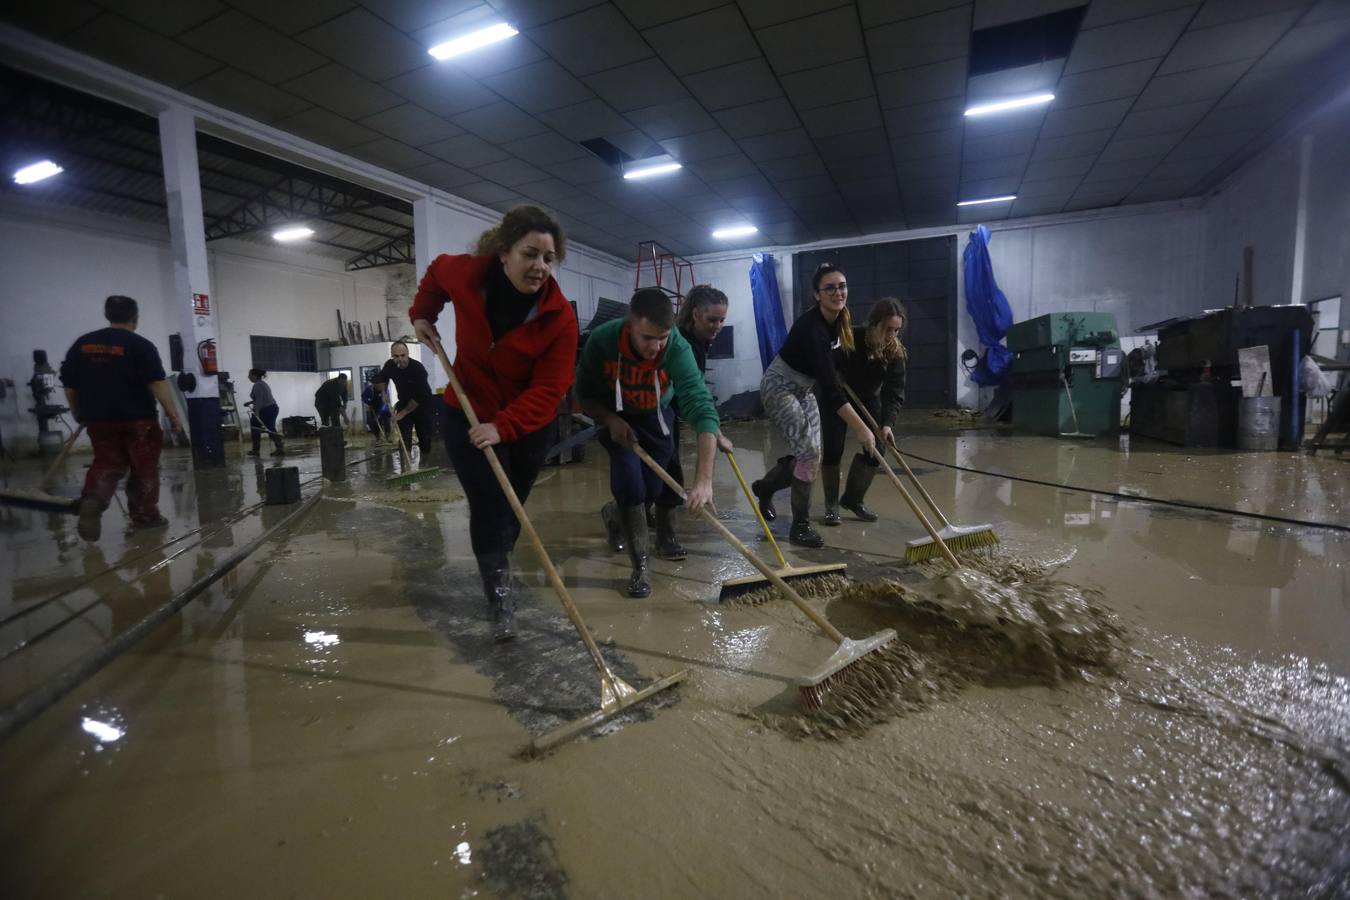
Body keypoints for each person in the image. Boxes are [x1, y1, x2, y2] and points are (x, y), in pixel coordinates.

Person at [410, 205, 578, 642]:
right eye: (530, 254)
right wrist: (422, 313)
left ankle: (499, 558)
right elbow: (434, 274)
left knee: (511, 508)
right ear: (504, 253)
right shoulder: (466, 274)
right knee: (487, 502)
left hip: (527, 421)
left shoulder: (559, 317)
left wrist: (505, 426)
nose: (540, 266)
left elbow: (551, 386)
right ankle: (499, 594)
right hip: (465, 407)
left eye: (548, 258)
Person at [576, 288, 722, 598]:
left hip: (657, 416)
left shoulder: (677, 348)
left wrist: (705, 480)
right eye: (647, 338)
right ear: (630, 324)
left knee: (654, 491)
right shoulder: (602, 340)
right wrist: (611, 420)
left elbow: (700, 405)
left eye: (663, 338)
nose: (656, 347)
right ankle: (640, 566)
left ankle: (614, 515)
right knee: (631, 485)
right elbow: (584, 396)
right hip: (616, 417)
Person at [752, 263, 876, 548]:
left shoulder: (840, 319)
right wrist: (862, 429)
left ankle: (765, 487)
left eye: (842, 286)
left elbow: (833, 363)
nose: (837, 292)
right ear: (817, 294)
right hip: (779, 386)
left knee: (812, 455)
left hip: (803, 388)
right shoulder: (812, 328)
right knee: (808, 453)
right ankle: (800, 526)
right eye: (829, 288)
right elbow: (831, 392)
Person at [59, 294, 183, 541]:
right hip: (138, 420)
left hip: (98, 419)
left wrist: (77, 411)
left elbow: (70, 384)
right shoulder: (140, 345)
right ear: (134, 318)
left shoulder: (82, 344)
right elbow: (157, 383)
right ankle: (146, 517)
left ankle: (93, 500)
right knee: (143, 467)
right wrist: (173, 414)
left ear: (108, 315)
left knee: (106, 463)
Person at [820, 298, 907, 524]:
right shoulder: (851, 338)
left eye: (897, 330)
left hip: (868, 397)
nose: (892, 335)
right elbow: (826, 361)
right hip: (838, 396)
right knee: (833, 446)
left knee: (877, 447)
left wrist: (888, 423)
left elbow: (894, 391)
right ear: (874, 323)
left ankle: (853, 499)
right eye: (888, 329)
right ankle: (831, 507)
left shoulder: (895, 352)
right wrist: (835, 373)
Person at [373, 341, 434, 456]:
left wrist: (402, 413)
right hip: (403, 401)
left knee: (425, 440)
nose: (400, 359)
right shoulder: (390, 365)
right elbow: (381, 378)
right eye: (396, 356)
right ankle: (405, 469)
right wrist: (383, 391)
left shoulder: (418, 369)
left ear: (408, 354)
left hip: (422, 404)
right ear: (392, 355)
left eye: (402, 355)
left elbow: (419, 396)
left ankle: (425, 463)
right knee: (404, 440)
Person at [244, 368, 284, 458]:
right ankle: (279, 448)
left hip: (266, 409)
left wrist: (256, 412)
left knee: (255, 427)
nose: (248, 377)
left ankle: (256, 450)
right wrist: (250, 403)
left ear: (255, 375)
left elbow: (259, 400)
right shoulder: (262, 384)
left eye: (250, 375)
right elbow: (262, 398)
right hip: (272, 408)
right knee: (270, 428)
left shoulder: (257, 385)